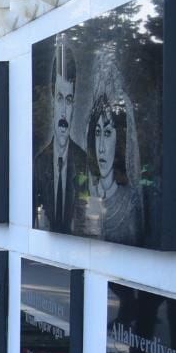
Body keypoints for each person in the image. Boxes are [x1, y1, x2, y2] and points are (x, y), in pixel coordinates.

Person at [34, 38, 88, 233]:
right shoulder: (39, 164)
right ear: (51, 99)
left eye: (69, 100)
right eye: (59, 98)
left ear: (73, 105)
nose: (63, 112)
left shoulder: (83, 162)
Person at [79, 95, 143, 245]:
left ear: (119, 139)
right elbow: (92, 242)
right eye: (97, 133)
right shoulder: (92, 194)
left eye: (107, 133)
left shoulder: (129, 201)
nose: (101, 147)